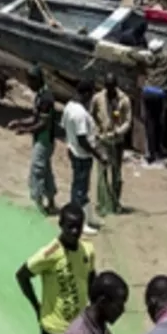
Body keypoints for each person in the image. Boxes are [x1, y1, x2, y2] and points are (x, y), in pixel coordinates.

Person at [16, 203, 97, 334]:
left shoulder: (88, 250)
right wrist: (36, 306)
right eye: (70, 227)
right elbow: (21, 275)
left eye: (78, 227)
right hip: (54, 331)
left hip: (79, 327)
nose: (75, 232)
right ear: (60, 225)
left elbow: (91, 279)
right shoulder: (49, 254)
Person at [8, 65, 57, 213]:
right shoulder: (40, 95)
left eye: (30, 81)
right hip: (40, 139)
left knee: (37, 171)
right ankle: (51, 201)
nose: (29, 85)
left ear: (36, 80)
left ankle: (39, 205)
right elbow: (34, 118)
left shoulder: (46, 98)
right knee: (45, 170)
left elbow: (42, 123)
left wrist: (25, 130)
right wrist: (20, 122)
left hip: (44, 140)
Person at [62, 79, 105, 233]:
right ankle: (79, 223)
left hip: (73, 151)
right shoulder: (79, 113)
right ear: (86, 93)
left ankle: (89, 217)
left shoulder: (68, 107)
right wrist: (98, 155)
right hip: (82, 155)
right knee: (79, 190)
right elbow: (82, 139)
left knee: (83, 187)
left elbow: (65, 128)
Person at [89, 73, 132, 216]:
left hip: (117, 142)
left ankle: (115, 203)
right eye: (107, 87)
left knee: (117, 174)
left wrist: (119, 132)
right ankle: (101, 204)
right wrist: (96, 131)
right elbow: (91, 116)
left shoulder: (124, 100)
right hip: (102, 140)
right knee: (101, 173)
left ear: (116, 86)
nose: (109, 90)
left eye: (112, 87)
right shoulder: (98, 98)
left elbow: (127, 121)